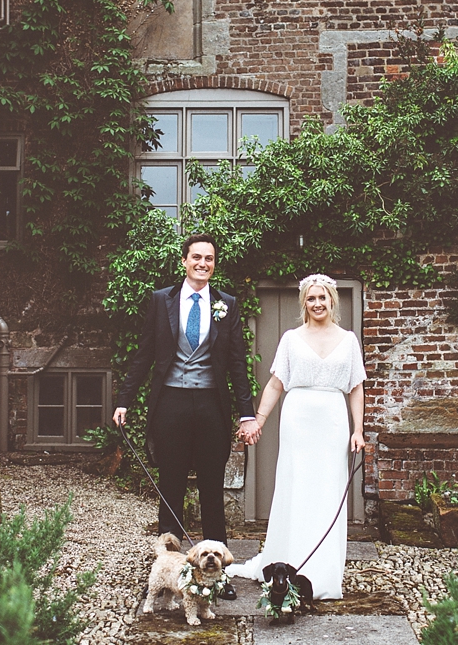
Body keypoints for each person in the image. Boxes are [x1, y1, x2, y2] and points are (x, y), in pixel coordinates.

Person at [114, 233, 259, 601]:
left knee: (212, 486)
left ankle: (219, 576)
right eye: (196, 257)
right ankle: (170, 571)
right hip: (172, 403)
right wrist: (124, 400)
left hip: (211, 403)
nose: (203, 264)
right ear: (184, 261)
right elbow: (145, 353)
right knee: (172, 483)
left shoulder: (226, 304)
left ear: (214, 264)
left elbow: (237, 363)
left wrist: (246, 413)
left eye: (209, 259)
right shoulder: (161, 301)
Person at [226, 273, 366, 600]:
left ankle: (323, 571)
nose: (317, 304)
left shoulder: (348, 340)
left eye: (323, 298)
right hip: (298, 418)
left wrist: (357, 430)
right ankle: (284, 563)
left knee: (328, 490)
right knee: (296, 487)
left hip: (332, 420)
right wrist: (257, 420)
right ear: (304, 303)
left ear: (333, 300)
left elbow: (356, 387)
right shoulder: (291, 338)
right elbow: (276, 384)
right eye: (311, 299)